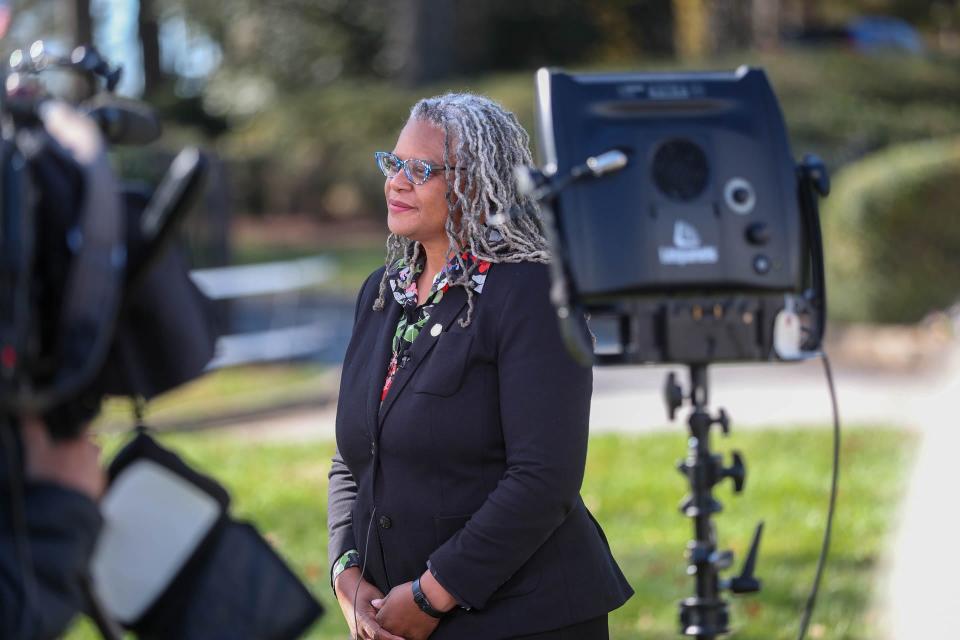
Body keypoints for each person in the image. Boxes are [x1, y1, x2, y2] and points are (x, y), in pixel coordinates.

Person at [327, 93, 633, 640]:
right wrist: (347, 577)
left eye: (419, 169)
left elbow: (543, 479)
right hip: (391, 617)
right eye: (392, 163)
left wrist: (429, 595)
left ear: (473, 183)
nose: (396, 181)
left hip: (521, 617)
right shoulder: (382, 293)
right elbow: (355, 457)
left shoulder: (530, 292)